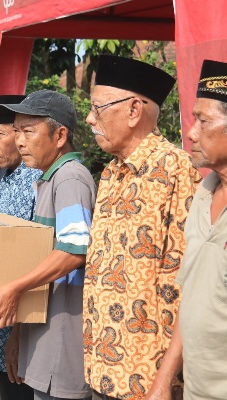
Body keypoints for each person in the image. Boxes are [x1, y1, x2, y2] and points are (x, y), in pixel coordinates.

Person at [82, 55, 201, 400]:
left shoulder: (176, 171)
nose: (90, 119)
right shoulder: (109, 172)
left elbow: (187, 283)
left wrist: (164, 380)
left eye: (98, 108)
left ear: (134, 111)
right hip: (100, 370)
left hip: (147, 379)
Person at [0, 90, 96, 400]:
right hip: (43, 336)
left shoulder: (70, 178)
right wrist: (18, 333)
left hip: (63, 336)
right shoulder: (48, 178)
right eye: (16, 131)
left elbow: (74, 250)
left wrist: (15, 288)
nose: (19, 141)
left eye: (28, 131)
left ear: (60, 136)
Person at [149, 59, 227, 400]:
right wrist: (165, 379)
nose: (191, 132)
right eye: (194, 118)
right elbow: (192, 295)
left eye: (204, 121)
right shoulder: (203, 192)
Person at [0, 95, 41, 400]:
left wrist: (18, 334)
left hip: (20, 327)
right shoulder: (4, 176)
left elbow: (36, 260)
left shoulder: (37, 179)